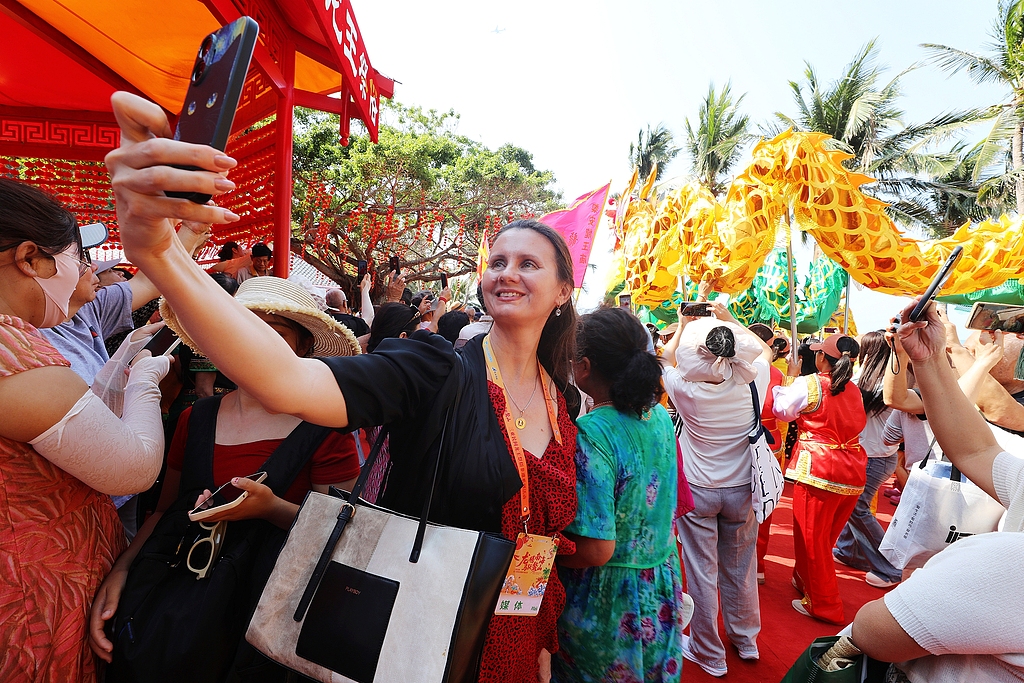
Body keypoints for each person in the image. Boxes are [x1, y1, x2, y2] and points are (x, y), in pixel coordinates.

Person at [104, 100, 579, 681]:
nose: (506, 272)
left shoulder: (565, 400)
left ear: (562, 291)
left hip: (519, 635)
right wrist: (160, 254)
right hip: (422, 637)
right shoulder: (435, 369)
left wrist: (540, 648)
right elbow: (289, 380)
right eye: (498, 260)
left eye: (529, 263)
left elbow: (547, 543)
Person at [89, 277, 365, 678]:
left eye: (275, 332)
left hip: (271, 618)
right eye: (241, 329)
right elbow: (166, 509)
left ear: (304, 346)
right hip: (185, 610)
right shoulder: (195, 418)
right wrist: (123, 569)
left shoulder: (326, 427)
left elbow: (342, 530)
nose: (253, 343)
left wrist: (271, 509)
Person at [0, 178, 168, 683]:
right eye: (79, 256)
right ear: (32, 258)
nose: (89, 270)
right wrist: (144, 380)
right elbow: (134, 467)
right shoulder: (11, 350)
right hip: (32, 606)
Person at [850, 298, 1024, 682]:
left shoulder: (1009, 559)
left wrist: (941, 578)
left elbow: (873, 633)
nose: (988, 337)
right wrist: (928, 359)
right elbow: (976, 450)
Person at [553, 307, 685, 683]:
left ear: (584, 366)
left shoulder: (593, 432)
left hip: (608, 599)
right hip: (659, 579)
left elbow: (597, 549)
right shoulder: (656, 414)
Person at [661, 301, 772, 678]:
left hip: (699, 489)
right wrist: (730, 320)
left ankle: (709, 652)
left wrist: (680, 324)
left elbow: (666, 356)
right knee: (741, 567)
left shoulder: (684, 388)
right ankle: (746, 638)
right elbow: (767, 351)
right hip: (743, 488)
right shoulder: (753, 379)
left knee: (701, 571)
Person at [773, 333, 866, 624]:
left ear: (822, 358)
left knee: (813, 539)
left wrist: (789, 379)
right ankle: (805, 582)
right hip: (851, 470)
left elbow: (782, 412)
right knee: (822, 538)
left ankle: (825, 605)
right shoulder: (854, 390)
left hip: (818, 469)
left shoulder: (809, 383)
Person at [833, 331, 902, 588]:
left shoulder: (875, 381)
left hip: (873, 457)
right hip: (876, 455)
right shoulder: (881, 379)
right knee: (852, 506)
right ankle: (848, 552)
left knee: (857, 507)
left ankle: (890, 566)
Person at [749, 324, 788, 585]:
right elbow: (782, 414)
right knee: (764, 502)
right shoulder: (776, 374)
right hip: (769, 445)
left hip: (741, 443)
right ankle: (757, 563)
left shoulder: (728, 368)